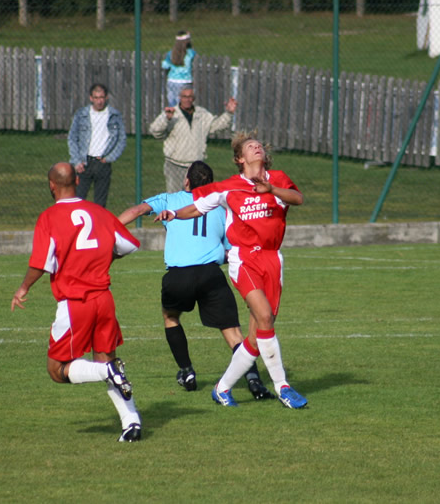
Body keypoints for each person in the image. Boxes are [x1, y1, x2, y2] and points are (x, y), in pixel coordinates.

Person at [156, 132, 308, 409]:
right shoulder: (229, 187)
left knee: (255, 335)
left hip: (272, 259)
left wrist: (271, 190)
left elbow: (297, 198)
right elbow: (198, 207)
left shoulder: (278, 179)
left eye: (259, 145)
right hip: (243, 259)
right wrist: (175, 214)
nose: (257, 147)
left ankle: (222, 388)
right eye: (250, 146)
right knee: (264, 317)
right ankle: (283, 386)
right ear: (240, 158)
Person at [117, 161, 275, 400]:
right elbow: (229, 250)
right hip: (211, 274)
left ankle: (187, 371)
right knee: (232, 332)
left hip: (178, 275)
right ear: (210, 185)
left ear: (187, 181)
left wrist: (108, 229)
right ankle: (253, 380)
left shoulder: (170, 200)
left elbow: (137, 211)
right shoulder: (220, 206)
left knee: (171, 317)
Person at [11, 162, 143, 442]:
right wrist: (101, 257)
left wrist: (23, 287)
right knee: (106, 357)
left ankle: (108, 372)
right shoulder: (99, 211)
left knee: (57, 370)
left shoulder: (49, 217)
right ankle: (131, 423)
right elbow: (127, 245)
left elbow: (40, 261)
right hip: (104, 300)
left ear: (51, 185)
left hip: (75, 303)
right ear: (78, 180)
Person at [149, 85, 237, 193]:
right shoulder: (172, 113)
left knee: (196, 199)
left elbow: (216, 126)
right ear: (179, 97)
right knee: (175, 199)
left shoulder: (202, 114)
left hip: (196, 166)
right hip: (175, 164)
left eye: (190, 97)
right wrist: (166, 119)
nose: (187, 99)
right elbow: (155, 131)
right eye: (184, 96)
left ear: (194, 98)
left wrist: (229, 113)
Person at [67, 83, 127, 208]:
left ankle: (98, 227)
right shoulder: (82, 114)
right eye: (96, 98)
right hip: (85, 162)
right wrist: (77, 161)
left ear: (106, 98)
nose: (99, 101)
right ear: (91, 98)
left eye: (101, 98)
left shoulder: (114, 115)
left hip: (102, 162)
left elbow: (121, 140)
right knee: (78, 200)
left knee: (100, 204)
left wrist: (109, 158)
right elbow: (72, 138)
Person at [162, 30, 196, 107]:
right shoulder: (191, 53)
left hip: (172, 81)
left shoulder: (171, 53)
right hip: (185, 81)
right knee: (183, 105)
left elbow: (165, 65)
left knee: (172, 103)